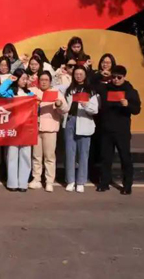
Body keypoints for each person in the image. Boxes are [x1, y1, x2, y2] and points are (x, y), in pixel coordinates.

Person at [98, 65, 141, 195]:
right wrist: (101, 76)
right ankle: (104, 183)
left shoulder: (131, 91)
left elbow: (137, 110)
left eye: (119, 77)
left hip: (122, 130)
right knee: (105, 158)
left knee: (125, 158)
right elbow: (93, 87)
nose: (116, 80)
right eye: (114, 77)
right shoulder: (105, 89)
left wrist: (128, 105)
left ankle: (127, 185)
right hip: (106, 129)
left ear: (124, 77)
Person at [60, 65, 99, 193]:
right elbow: (64, 105)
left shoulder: (91, 91)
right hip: (70, 120)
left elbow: (95, 110)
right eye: (76, 74)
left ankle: (81, 181)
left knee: (83, 154)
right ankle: (70, 180)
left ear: (85, 75)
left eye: (81, 74)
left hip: (84, 121)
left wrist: (86, 104)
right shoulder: (68, 89)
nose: (78, 76)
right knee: (69, 152)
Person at [28, 71, 67, 192]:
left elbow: (65, 109)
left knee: (49, 157)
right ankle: (36, 179)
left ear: (50, 81)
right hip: (35, 128)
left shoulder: (56, 93)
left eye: (46, 80)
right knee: (36, 156)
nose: (44, 82)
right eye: (42, 80)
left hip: (50, 129)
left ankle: (49, 181)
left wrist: (59, 104)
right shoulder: (34, 91)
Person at [0, 69, 35, 192]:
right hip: (13, 127)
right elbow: (0, 91)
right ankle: (12, 183)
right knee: (12, 155)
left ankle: (23, 183)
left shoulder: (30, 94)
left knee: (25, 155)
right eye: (22, 78)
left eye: (26, 79)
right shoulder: (10, 93)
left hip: (26, 128)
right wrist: (9, 80)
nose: (25, 81)